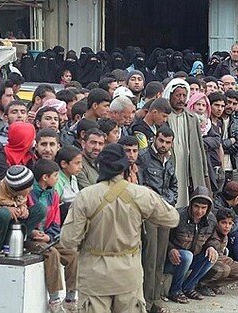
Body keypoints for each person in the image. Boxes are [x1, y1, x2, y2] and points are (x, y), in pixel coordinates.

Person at [60, 144, 180, 313]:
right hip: (128, 275)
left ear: (100, 166)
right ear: (125, 166)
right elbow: (173, 218)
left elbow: (68, 240)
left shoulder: (85, 196)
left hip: (95, 277)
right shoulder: (141, 194)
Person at [27, 159, 79, 313]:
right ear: (45, 177)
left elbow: (56, 224)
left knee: (72, 254)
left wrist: (49, 237)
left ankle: (70, 298)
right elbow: (23, 222)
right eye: (55, 176)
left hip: (47, 237)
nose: (57, 179)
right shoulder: (28, 194)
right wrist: (32, 232)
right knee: (52, 253)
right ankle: (54, 299)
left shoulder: (54, 195)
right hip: (30, 239)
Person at [138, 126, 178, 312]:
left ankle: (155, 300)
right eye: (161, 141)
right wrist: (156, 202)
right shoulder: (144, 157)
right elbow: (142, 186)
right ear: (155, 138)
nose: (164, 145)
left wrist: (168, 202)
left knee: (160, 259)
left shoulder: (170, 158)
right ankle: (146, 302)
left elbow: (173, 185)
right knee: (149, 259)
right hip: (149, 213)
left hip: (164, 212)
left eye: (168, 142)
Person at [0, 164, 47, 256]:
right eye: (28, 187)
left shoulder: (20, 190)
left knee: (40, 209)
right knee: (4, 213)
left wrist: (23, 209)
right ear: (18, 188)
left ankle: (19, 240)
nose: (31, 189)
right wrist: (1, 208)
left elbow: (22, 201)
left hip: (11, 226)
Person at [165, 186, 219, 304]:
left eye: (203, 208)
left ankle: (188, 287)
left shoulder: (211, 220)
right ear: (191, 205)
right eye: (196, 206)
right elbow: (163, 238)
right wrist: (171, 249)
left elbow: (214, 238)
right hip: (174, 259)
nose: (199, 211)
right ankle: (175, 291)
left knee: (212, 256)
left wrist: (211, 246)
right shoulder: (178, 215)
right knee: (187, 256)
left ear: (208, 208)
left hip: (194, 258)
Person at [163, 79, 209, 208]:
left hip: (187, 165)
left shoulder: (192, 117)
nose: (181, 99)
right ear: (170, 95)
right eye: (178, 95)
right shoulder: (165, 116)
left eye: (184, 95)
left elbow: (199, 147)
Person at [54, 145, 82, 223]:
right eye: (77, 163)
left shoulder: (73, 177)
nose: (81, 167)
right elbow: (56, 205)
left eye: (81, 163)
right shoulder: (57, 180)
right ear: (64, 164)